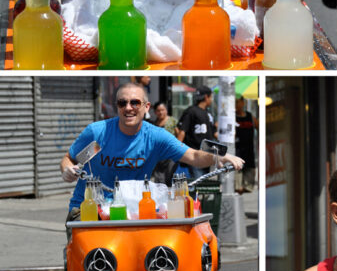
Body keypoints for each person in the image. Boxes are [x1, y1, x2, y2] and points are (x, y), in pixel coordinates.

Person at [62, 82, 243, 220]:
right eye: (122, 103)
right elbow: (71, 159)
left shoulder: (155, 138)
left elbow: (193, 155)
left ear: (146, 107)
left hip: (132, 211)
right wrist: (67, 170)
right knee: (92, 263)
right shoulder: (99, 134)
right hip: (90, 209)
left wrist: (221, 156)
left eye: (135, 102)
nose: (128, 108)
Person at [176, 86, 218, 180]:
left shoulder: (208, 113)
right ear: (206, 97)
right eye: (211, 97)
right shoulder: (191, 111)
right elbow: (181, 131)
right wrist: (176, 150)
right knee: (197, 184)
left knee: (203, 184)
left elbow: (213, 133)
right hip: (194, 155)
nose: (211, 99)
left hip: (207, 154)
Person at [234, 95, 256, 193]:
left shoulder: (250, 116)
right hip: (236, 153)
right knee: (237, 188)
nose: (236, 104)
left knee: (248, 188)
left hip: (249, 153)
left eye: (238, 102)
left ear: (243, 103)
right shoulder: (232, 117)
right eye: (234, 102)